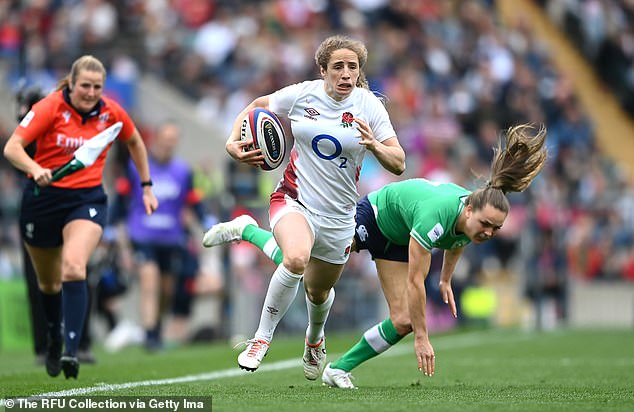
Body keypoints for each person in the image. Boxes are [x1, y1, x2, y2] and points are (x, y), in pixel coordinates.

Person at [204, 123, 548, 388]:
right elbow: (416, 280)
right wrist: (424, 339)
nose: (488, 233)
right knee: (302, 264)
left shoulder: (471, 219)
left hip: (400, 234)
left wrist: (445, 279)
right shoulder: (437, 217)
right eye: (486, 225)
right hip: (375, 215)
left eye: (495, 229)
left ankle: (338, 369)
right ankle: (247, 229)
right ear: (470, 208)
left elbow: (459, 240)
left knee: (403, 319)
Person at [207, 34, 405, 378]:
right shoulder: (302, 95)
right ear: (323, 70)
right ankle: (260, 339)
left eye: (353, 67)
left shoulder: (369, 106)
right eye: (339, 66)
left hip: (340, 217)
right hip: (293, 199)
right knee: (295, 258)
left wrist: (374, 145)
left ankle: (314, 338)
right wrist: (231, 143)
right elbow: (257, 106)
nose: (346, 74)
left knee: (318, 291)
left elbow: (399, 162)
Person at [2, 55, 158, 379]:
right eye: (85, 85)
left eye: (97, 87)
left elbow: (134, 142)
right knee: (48, 282)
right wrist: (35, 168)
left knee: (74, 266)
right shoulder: (49, 107)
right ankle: (54, 336)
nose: (90, 92)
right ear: (71, 84)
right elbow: (13, 148)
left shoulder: (111, 112)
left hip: (85, 199)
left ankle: (72, 351)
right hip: (41, 199)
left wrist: (146, 186)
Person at [13, 84, 97, 366]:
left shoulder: (69, 123)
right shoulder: (30, 128)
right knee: (40, 281)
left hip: (72, 203)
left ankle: (80, 342)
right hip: (39, 206)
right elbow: (19, 149)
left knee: (77, 272)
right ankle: (45, 346)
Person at [112, 120, 206, 351]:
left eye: (173, 140)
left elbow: (193, 202)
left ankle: (155, 326)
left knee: (166, 289)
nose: (168, 144)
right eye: (165, 139)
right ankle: (150, 334)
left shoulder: (183, 171)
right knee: (149, 279)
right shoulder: (137, 167)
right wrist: (111, 227)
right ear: (155, 139)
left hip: (170, 238)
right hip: (142, 235)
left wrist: (208, 222)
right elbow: (121, 200)